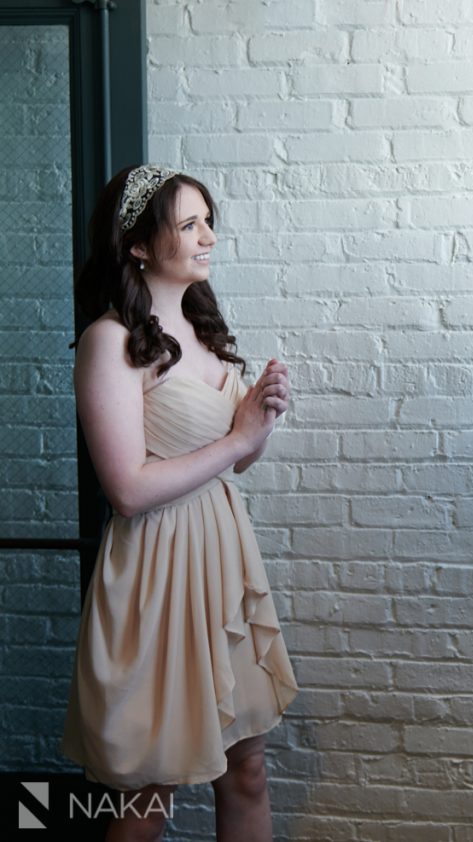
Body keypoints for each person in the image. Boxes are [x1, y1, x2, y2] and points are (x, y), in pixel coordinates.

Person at [63, 165, 299, 842]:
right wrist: (239, 440)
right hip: (158, 576)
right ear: (139, 245)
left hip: (223, 565)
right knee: (149, 793)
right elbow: (129, 489)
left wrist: (261, 421)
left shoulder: (203, 330)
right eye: (189, 224)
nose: (209, 237)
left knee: (248, 770)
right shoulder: (108, 341)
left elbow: (234, 461)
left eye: (208, 221)